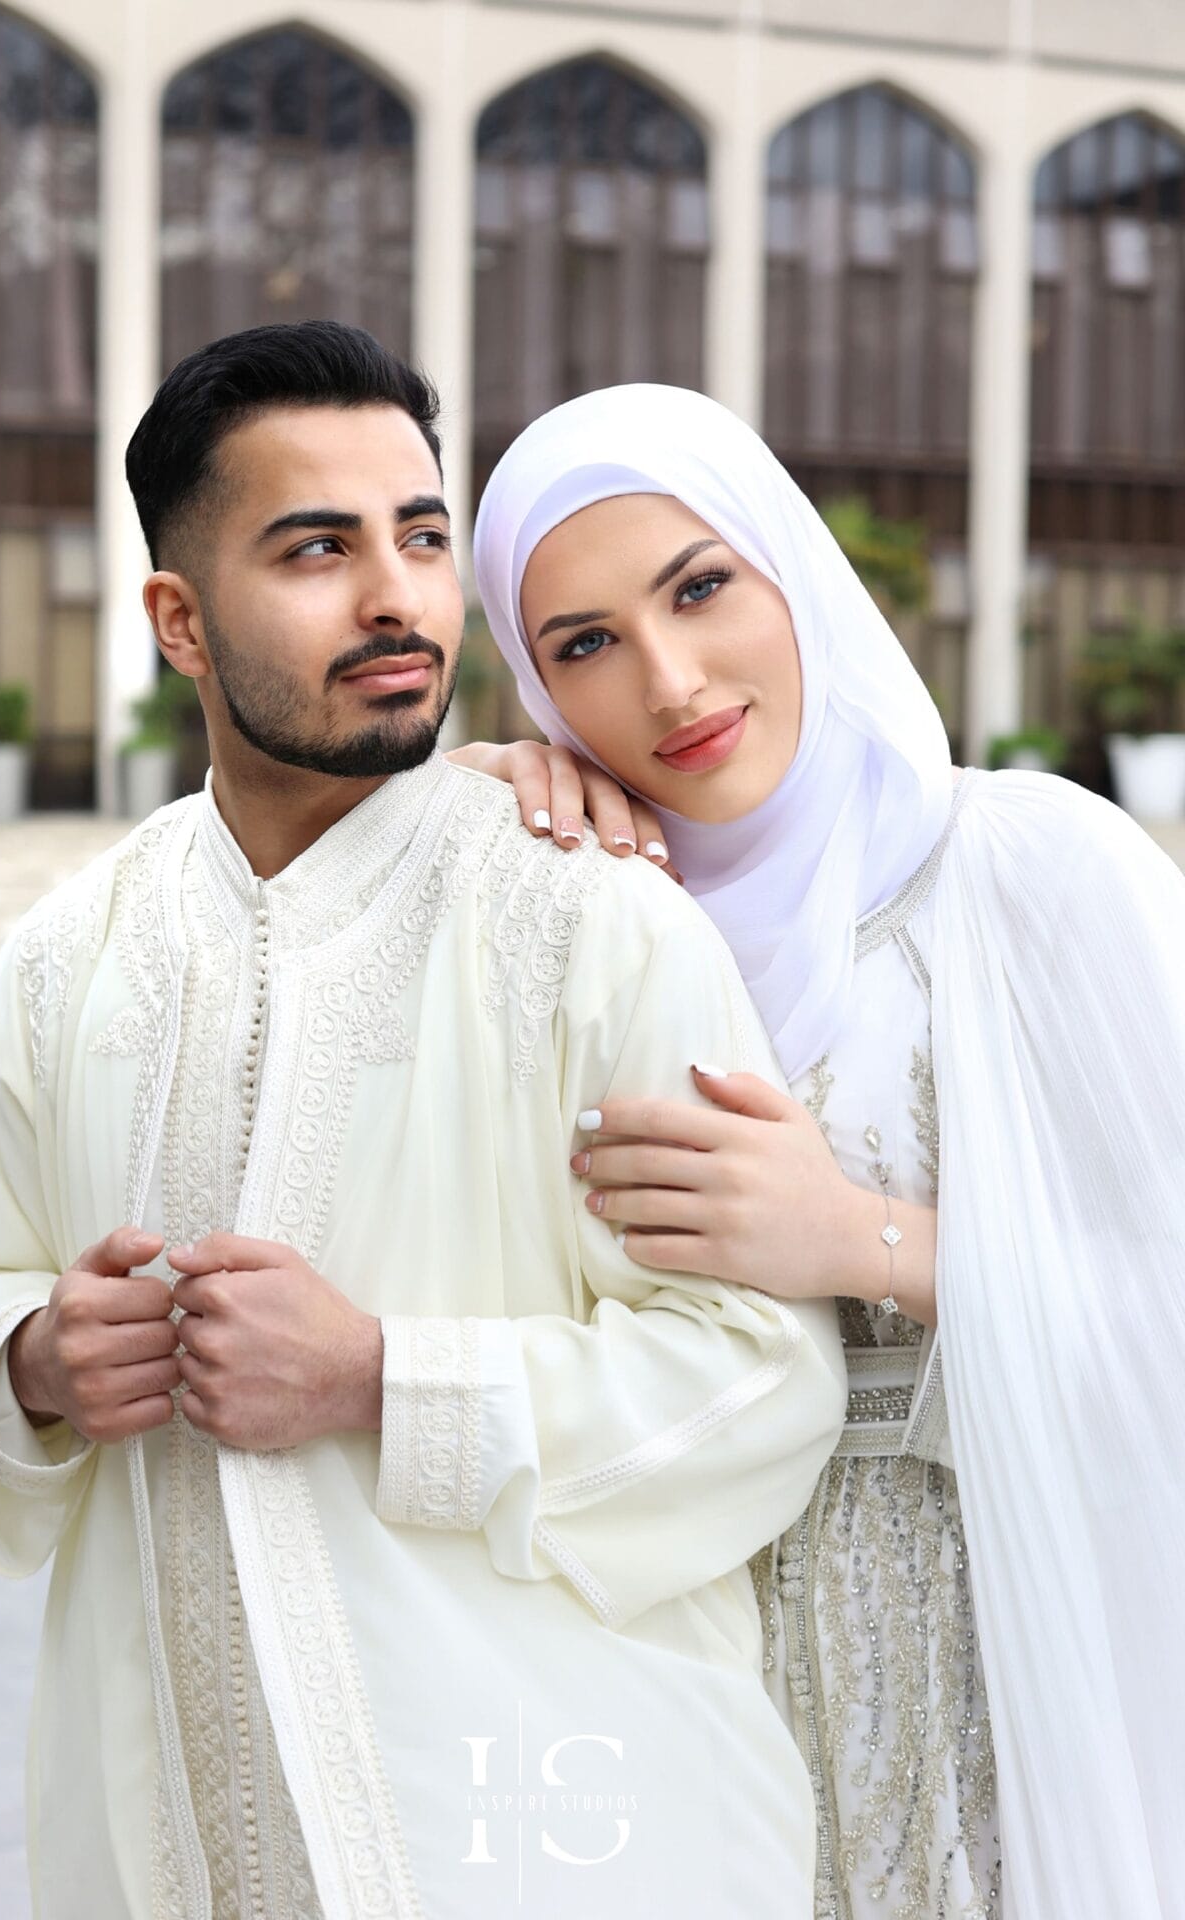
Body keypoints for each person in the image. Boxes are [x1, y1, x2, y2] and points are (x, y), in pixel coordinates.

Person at [0, 326, 847, 1920]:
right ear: (179, 621)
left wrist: (379, 1380)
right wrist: (38, 1362)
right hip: (160, 1847)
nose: (397, 597)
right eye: (316, 550)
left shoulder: (593, 921)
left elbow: (760, 1384)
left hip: (551, 1840)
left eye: (419, 537)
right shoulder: (72, 956)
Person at [465, 382, 1185, 1920]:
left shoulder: (1032, 871)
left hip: (995, 1703)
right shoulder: (573, 927)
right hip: (674, 1720)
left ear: (793, 569)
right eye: (581, 645)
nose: (668, 681)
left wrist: (868, 1241)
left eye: (701, 587)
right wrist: (436, 818)